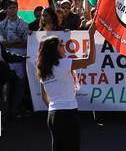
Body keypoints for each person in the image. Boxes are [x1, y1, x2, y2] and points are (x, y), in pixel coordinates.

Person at [37, 22, 97, 151]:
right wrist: (91, 36)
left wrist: (56, 107)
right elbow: (91, 60)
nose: (64, 46)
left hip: (52, 115)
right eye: (61, 45)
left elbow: (43, 97)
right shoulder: (63, 63)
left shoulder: (42, 69)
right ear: (54, 50)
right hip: (68, 114)